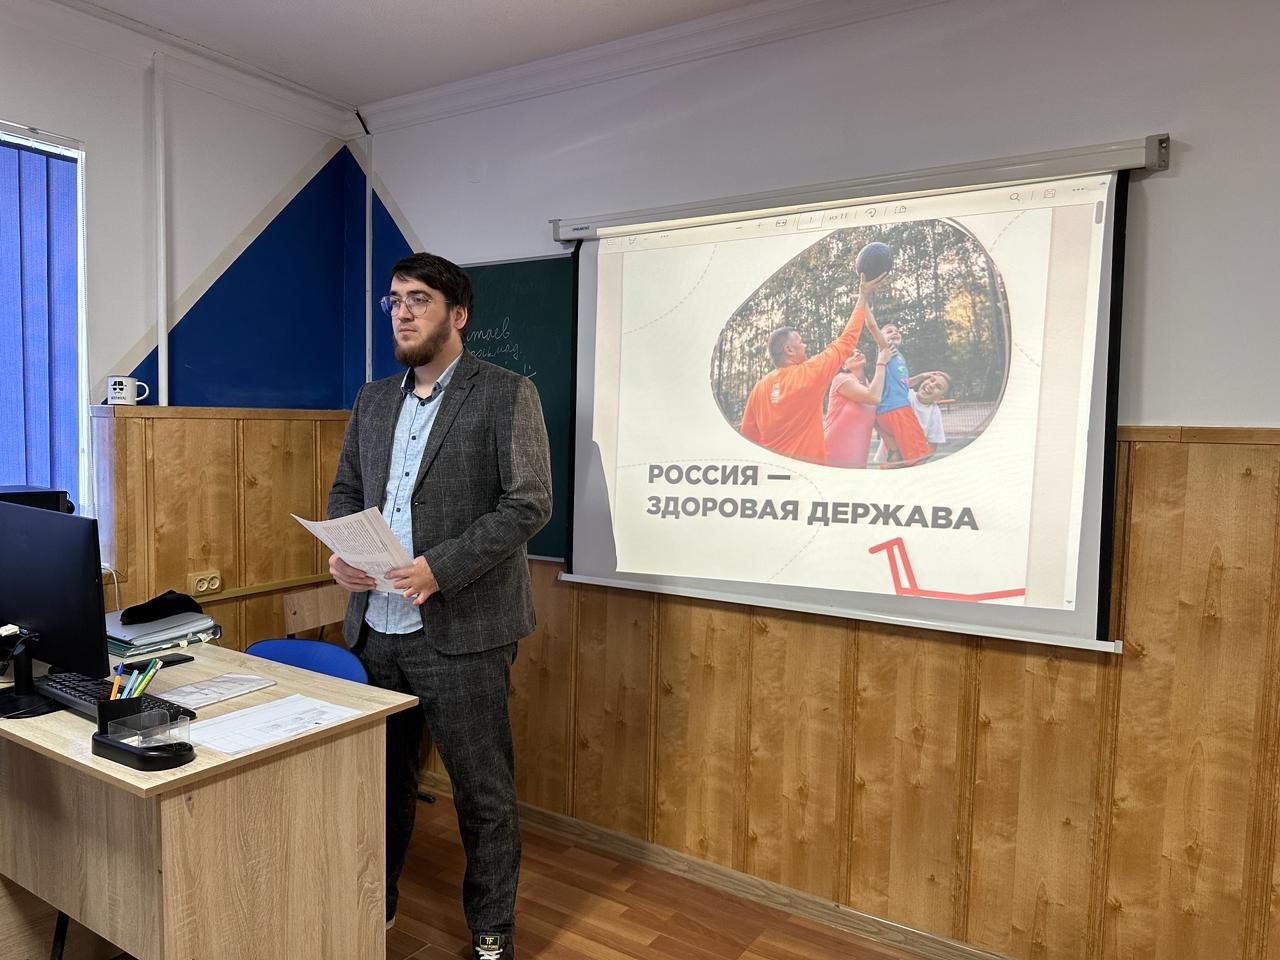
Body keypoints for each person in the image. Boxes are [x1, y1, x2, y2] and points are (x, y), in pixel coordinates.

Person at [327, 252, 551, 960]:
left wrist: (439, 569)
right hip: (374, 629)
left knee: (482, 797)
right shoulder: (372, 399)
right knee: (382, 785)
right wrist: (342, 554)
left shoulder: (506, 393)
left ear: (457, 314)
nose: (401, 312)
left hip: (462, 632)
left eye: (417, 299)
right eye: (394, 299)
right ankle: (379, 907)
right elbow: (347, 491)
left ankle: (491, 933)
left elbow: (528, 503)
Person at [739, 271, 887, 463]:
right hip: (807, 471)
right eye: (801, 342)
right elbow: (846, 341)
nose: (805, 346)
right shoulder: (808, 373)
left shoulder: (759, 388)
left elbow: (748, 437)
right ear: (789, 350)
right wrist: (863, 297)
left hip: (774, 470)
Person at [823, 304, 895, 468]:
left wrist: (893, 448)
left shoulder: (870, 384)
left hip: (858, 459)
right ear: (844, 365)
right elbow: (873, 397)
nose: (856, 353)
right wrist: (881, 361)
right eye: (850, 354)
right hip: (832, 455)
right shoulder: (841, 379)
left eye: (858, 351)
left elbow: (877, 420)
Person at [872, 323, 934, 466]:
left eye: (897, 331)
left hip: (889, 412)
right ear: (880, 337)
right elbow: (873, 327)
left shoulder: (898, 357)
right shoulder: (886, 349)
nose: (895, 333)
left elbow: (904, 383)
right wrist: (864, 308)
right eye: (889, 331)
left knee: (897, 457)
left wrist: (921, 376)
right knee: (918, 457)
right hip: (898, 410)